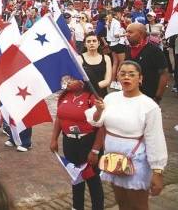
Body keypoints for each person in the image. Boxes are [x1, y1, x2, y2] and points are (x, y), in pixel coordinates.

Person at [86, 60, 167, 209]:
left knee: (138, 205)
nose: (126, 77)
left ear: (140, 78)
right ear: (117, 77)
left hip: (137, 161)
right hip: (114, 160)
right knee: (121, 202)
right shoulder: (111, 98)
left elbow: (155, 139)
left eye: (131, 74)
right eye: (122, 74)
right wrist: (98, 110)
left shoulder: (149, 106)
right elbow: (96, 122)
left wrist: (157, 170)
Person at [50, 76, 104, 210]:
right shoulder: (64, 96)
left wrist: (95, 150)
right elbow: (59, 118)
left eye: (72, 79)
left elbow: (103, 126)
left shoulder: (92, 98)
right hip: (69, 143)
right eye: (67, 79)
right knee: (75, 177)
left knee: (92, 179)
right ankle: (77, 207)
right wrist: (54, 139)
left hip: (88, 143)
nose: (67, 82)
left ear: (82, 81)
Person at [124, 23, 169, 102]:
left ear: (141, 34)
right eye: (126, 32)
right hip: (130, 95)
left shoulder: (154, 51)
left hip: (149, 97)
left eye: (130, 32)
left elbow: (164, 74)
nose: (127, 35)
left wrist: (158, 97)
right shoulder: (127, 49)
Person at [81, 32, 112, 97]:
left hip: (101, 94)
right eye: (88, 41)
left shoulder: (106, 58)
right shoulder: (79, 58)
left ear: (98, 43)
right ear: (85, 44)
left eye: (94, 41)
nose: (91, 43)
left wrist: (92, 88)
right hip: (85, 95)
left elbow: (107, 80)